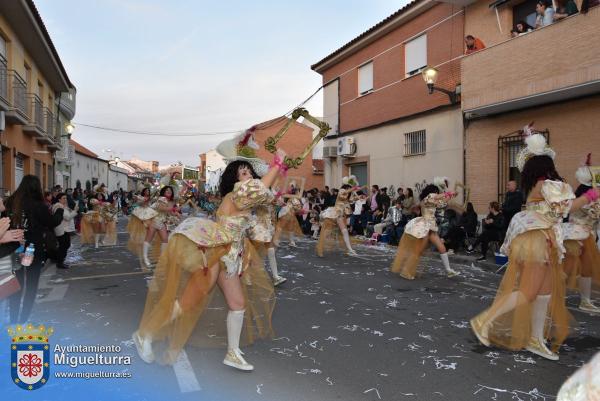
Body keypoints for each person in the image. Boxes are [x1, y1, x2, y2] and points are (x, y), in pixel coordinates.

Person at [132, 128, 285, 371]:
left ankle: (233, 353)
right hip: (216, 252)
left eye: (248, 171)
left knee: (237, 304)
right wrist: (277, 165)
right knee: (188, 301)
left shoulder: (247, 199)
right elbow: (257, 190)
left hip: (231, 256)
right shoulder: (237, 195)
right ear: (233, 179)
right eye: (240, 172)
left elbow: (261, 216)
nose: (245, 175)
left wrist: (279, 172)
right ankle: (145, 334)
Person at [470, 126, 600, 361]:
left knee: (545, 292)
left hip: (543, 237)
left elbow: (560, 207)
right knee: (530, 291)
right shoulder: (545, 184)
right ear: (546, 167)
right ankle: (484, 321)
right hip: (536, 238)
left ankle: (535, 339)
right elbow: (567, 207)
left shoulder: (538, 184)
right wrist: (592, 195)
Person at [7, 175, 63, 323]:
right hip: (32, 249)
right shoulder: (39, 205)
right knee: (31, 286)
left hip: (13, 249)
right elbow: (52, 222)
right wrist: (59, 211)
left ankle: (13, 320)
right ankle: (23, 320)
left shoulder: (11, 202)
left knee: (15, 286)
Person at [391, 182, 460, 280]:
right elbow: (437, 197)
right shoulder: (428, 198)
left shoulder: (431, 200)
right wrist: (448, 193)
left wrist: (451, 195)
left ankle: (448, 270)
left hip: (431, 226)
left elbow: (442, 203)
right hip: (424, 227)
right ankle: (406, 271)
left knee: (441, 247)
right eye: (436, 192)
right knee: (419, 250)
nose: (437, 194)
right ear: (432, 192)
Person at [562, 154, 600, 314]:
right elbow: (594, 214)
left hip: (582, 236)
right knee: (570, 267)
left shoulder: (580, 194)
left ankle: (585, 300)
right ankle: (550, 294)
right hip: (577, 235)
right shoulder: (587, 197)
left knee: (584, 269)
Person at [317, 176, 360, 257]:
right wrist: (353, 189)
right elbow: (342, 195)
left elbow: (350, 200)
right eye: (350, 186)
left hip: (341, 214)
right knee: (330, 232)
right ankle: (321, 247)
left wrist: (357, 197)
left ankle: (349, 249)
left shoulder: (347, 192)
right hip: (336, 213)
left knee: (343, 231)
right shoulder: (342, 190)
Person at [141, 185, 181, 268]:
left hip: (161, 222)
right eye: (167, 190)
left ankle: (163, 259)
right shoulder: (161, 199)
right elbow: (161, 208)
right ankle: (145, 258)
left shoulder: (170, 201)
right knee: (148, 239)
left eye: (170, 190)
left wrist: (176, 214)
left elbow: (169, 212)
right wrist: (173, 209)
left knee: (165, 240)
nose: (169, 191)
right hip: (154, 221)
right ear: (163, 192)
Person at [52, 193, 78, 269]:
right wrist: (75, 211)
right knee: (63, 245)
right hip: (61, 229)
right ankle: (59, 262)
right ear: (59, 199)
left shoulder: (64, 206)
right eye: (63, 198)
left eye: (66, 198)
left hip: (65, 229)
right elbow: (67, 217)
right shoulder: (58, 206)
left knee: (66, 245)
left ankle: (60, 260)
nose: (65, 200)